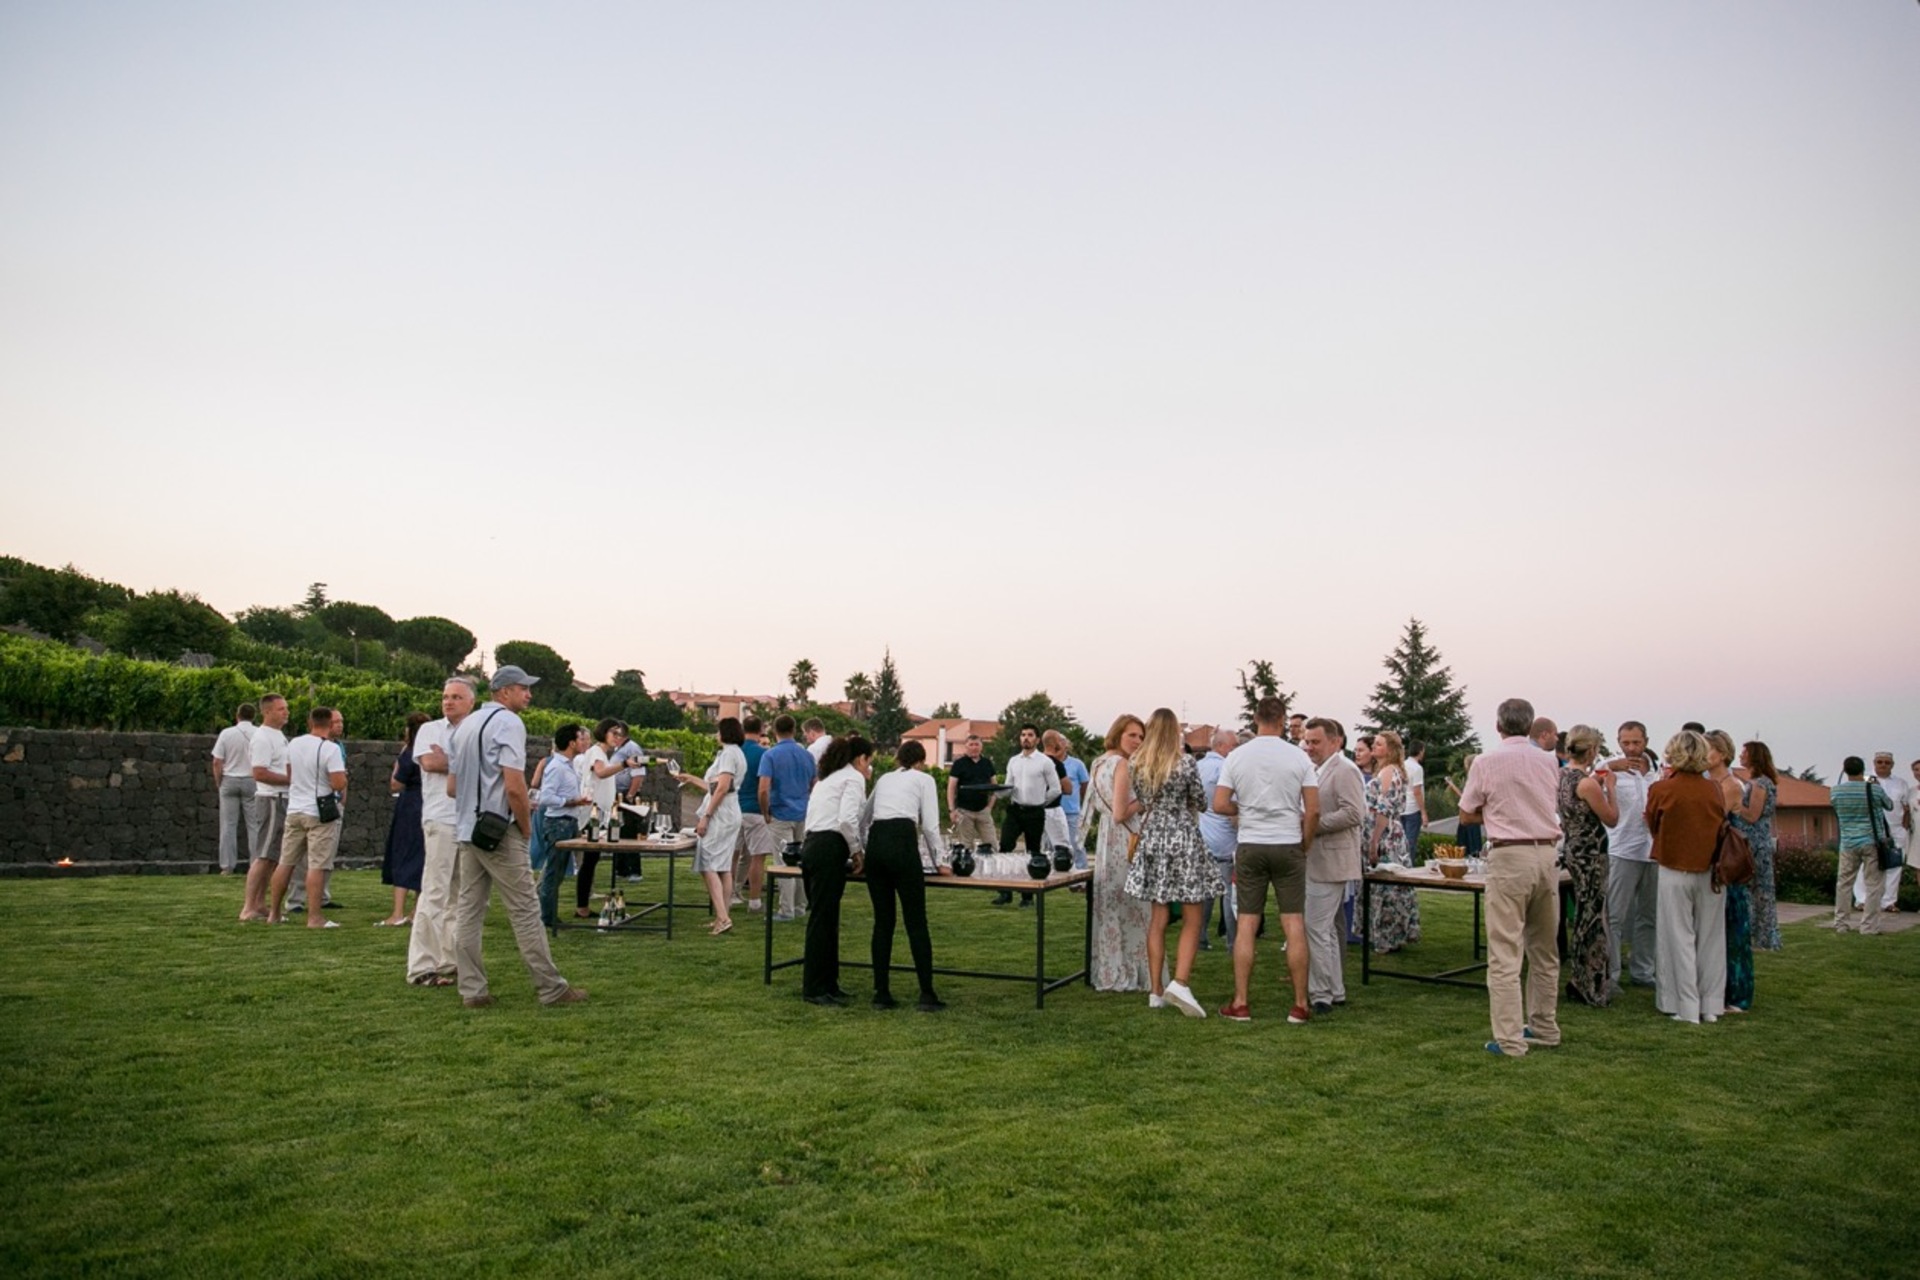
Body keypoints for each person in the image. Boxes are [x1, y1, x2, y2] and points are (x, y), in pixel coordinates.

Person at [446, 666, 585, 1008]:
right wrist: (524, 827)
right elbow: (514, 786)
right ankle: (551, 987)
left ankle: (472, 990)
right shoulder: (508, 723)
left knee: (469, 910)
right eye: (524, 688)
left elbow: (452, 787)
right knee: (525, 909)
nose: (529, 694)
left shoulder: (465, 726)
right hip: (499, 830)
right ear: (505, 691)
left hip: (467, 829)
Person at [1457, 697, 1563, 1057]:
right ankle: (1545, 1026)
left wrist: (1493, 813)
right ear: (1530, 726)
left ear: (1499, 726)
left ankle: (1510, 1040)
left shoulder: (1486, 761)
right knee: (1545, 949)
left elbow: (1466, 813)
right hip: (1546, 853)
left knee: (1505, 951)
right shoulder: (1549, 761)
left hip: (1510, 854)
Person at [1212, 697, 1319, 1024]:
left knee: (1247, 922)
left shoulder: (1237, 756)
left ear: (1255, 719)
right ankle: (1300, 1004)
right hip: (1287, 842)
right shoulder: (1299, 756)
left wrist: (1244, 810)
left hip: (1251, 843)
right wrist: (1304, 843)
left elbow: (1219, 804)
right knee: (1294, 922)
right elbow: (1313, 810)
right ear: (1283, 720)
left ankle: (1241, 1002)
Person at [1118, 708, 1225, 1018]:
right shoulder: (1186, 762)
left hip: (1153, 837)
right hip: (1182, 836)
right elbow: (1201, 802)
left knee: (1158, 916)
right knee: (1193, 915)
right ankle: (1180, 982)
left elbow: (1142, 800)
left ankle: (1155, 991)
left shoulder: (1136, 762)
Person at [1645, 730, 1728, 1024]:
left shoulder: (1661, 789)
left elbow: (1652, 824)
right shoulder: (1714, 789)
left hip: (1674, 867)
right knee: (1711, 938)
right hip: (1710, 870)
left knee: (1677, 937)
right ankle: (1710, 1005)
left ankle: (1685, 1005)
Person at [860, 739, 948, 1012]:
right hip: (902, 842)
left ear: (898, 759)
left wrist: (862, 850)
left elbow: (864, 818)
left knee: (883, 921)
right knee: (916, 921)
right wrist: (941, 861)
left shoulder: (884, 779)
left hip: (877, 843)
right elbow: (930, 825)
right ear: (921, 762)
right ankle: (926, 993)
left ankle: (881, 992)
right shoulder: (924, 780)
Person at [798, 734, 873, 1006]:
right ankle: (815, 987)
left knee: (827, 917)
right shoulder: (853, 779)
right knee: (823, 919)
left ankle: (829, 983)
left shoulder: (827, 779)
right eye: (869, 761)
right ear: (861, 758)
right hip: (829, 847)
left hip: (812, 845)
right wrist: (857, 851)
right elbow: (846, 820)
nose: (869, 768)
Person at [407, 678, 473, 987]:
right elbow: (431, 762)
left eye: (456, 697)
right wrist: (466, 762)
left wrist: (452, 760)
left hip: (467, 821)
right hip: (441, 819)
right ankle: (422, 966)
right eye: (446, 696)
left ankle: (450, 959)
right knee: (434, 892)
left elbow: (486, 765)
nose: (448, 701)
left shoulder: (474, 731)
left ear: (471, 702)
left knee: (460, 895)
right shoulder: (430, 730)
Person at [1086, 714, 1156, 993]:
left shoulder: (1098, 763)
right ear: (1118, 734)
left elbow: (1095, 807)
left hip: (1106, 839)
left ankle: (1110, 967)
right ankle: (1132, 970)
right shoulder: (1122, 765)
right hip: (1125, 838)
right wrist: (1144, 800)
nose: (1138, 741)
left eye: (1141, 737)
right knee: (1134, 907)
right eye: (1132, 735)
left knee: (1111, 906)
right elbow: (1119, 813)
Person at [1302, 718, 1365, 1014]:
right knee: (1324, 929)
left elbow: (1353, 813)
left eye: (1315, 742)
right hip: (1319, 859)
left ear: (1335, 742)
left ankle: (1321, 993)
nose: (1309, 747)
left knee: (1316, 927)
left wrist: (1311, 825)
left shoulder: (1345, 770)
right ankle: (1334, 989)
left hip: (1333, 860)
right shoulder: (1317, 770)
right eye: (1307, 742)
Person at [266, 706, 349, 928]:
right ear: (329, 724)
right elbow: (338, 783)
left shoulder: (294, 743)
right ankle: (314, 917)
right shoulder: (330, 748)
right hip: (319, 812)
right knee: (317, 865)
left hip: (295, 810)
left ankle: (274, 913)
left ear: (310, 722)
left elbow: (290, 774)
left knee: (286, 862)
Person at [1557, 726, 1619, 1007]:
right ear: (1592, 750)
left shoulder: (1561, 776)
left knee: (1584, 912)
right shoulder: (1587, 784)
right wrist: (1611, 789)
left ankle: (1580, 978)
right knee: (1593, 916)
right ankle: (1589, 982)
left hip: (1573, 848)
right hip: (1592, 853)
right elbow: (1611, 818)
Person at [1602, 721, 1660, 996]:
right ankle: (1611, 973)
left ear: (1645, 741)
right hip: (1622, 848)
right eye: (1626, 743)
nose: (1631, 748)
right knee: (1614, 915)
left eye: (1636, 742)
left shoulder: (1657, 771)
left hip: (1653, 851)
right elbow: (1586, 780)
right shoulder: (1609, 768)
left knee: (1649, 915)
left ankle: (1643, 971)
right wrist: (1611, 767)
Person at [677, 716, 746, 937]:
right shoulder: (736, 753)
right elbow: (715, 786)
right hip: (730, 811)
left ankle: (723, 917)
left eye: (718, 731)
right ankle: (722, 916)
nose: (716, 735)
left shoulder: (728, 754)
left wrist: (706, 816)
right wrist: (691, 779)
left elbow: (723, 787)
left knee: (707, 863)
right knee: (723, 867)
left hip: (721, 814)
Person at [1361, 730, 1420, 953]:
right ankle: (1393, 934)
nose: (1374, 747)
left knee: (1386, 885)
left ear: (1390, 749)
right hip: (1393, 833)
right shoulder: (1393, 770)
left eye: (1379, 744)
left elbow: (1383, 809)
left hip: (1386, 835)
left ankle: (1386, 936)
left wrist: (1374, 842)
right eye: (1374, 744)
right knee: (1392, 886)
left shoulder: (1388, 772)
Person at [759, 714, 816, 922]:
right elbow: (814, 783)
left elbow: (763, 788)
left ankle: (786, 909)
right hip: (803, 812)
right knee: (802, 861)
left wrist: (765, 811)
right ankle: (800, 905)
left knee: (782, 862)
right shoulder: (807, 755)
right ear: (794, 730)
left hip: (781, 813)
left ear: (775, 731)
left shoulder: (771, 755)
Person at [534, 723, 592, 928]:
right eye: (580, 739)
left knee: (557, 872)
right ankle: (546, 917)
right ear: (571, 743)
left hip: (568, 821)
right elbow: (546, 797)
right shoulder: (556, 767)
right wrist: (571, 802)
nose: (584, 743)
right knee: (554, 872)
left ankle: (548, 914)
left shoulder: (568, 765)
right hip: (558, 823)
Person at [239, 696, 292, 921]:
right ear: (267, 712)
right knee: (263, 855)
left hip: (280, 798)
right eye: (281, 709)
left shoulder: (278, 736)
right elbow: (259, 773)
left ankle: (260, 903)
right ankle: (248, 907)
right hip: (271, 799)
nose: (286, 712)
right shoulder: (262, 738)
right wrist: (290, 780)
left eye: (286, 708)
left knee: (272, 857)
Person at [570, 721, 629, 919]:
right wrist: (624, 764)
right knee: (588, 861)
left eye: (619, 734)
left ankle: (583, 906)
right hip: (592, 815)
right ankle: (581, 907)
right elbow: (601, 772)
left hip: (600, 813)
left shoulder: (602, 753)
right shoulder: (596, 752)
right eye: (614, 733)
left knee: (591, 861)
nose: (617, 737)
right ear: (603, 732)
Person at [995, 724, 1060, 906]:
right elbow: (1009, 786)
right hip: (1015, 810)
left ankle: (1028, 896)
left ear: (1037, 740)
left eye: (1030, 735)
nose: (1026, 738)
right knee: (1005, 847)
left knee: (1033, 852)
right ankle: (1005, 892)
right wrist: (995, 792)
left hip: (1035, 812)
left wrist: (1040, 802)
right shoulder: (1013, 761)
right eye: (1023, 735)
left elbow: (1056, 789)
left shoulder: (1045, 762)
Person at [377, 713, 430, 927]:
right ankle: (416, 911)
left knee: (403, 853)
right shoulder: (432, 750)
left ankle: (397, 913)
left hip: (410, 805)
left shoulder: (409, 752)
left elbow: (396, 783)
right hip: (428, 803)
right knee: (423, 856)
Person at [1831, 756, 1893, 935]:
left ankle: (1841, 923)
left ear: (1845, 770)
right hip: (1872, 842)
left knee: (1844, 884)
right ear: (1863, 769)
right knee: (1873, 885)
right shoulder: (1874, 789)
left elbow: (1835, 807)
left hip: (1848, 843)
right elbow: (1889, 805)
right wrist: (1875, 784)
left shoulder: (1835, 791)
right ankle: (1868, 926)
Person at [1195, 728, 1240, 950]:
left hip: (1203, 836)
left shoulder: (1198, 766)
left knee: (1205, 893)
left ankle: (1200, 938)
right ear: (1222, 746)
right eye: (1234, 746)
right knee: (1229, 893)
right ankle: (1233, 941)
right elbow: (1235, 805)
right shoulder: (1226, 768)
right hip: (1226, 840)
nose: (1236, 750)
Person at [1734, 740, 1782, 953]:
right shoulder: (1757, 782)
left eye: (1744, 753)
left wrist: (1735, 805)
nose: (1740, 756)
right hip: (1756, 839)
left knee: (1758, 888)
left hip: (1755, 840)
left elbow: (1753, 815)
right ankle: (1757, 933)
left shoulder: (1759, 784)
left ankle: (1762, 935)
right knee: (1756, 888)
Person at [1854, 753, 1913, 913]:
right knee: (1866, 864)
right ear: (1874, 763)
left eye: (1887, 762)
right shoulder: (1866, 779)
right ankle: (1862, 900)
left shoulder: (1901, 783)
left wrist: (1905, 827)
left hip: (1896, 829)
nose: (1883, 765)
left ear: (1892, 765)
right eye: (1880, 762)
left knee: (1895, 865)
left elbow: (1906, 807)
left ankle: (1888, 902)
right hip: (1871, 829)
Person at [209, 703, 257, 875]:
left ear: (237, 716)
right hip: (251, 780)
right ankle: (256, 864)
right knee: (254, 825)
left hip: (229, 780)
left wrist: (219, 781)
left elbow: (217, 761)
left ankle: (227, 866)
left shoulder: (226, 733)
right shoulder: (259, 734)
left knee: (228, 825)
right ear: (253, 717)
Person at [733, 715, 773, 912]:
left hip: (733, 809)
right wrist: (767, 811)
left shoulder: (733, 752)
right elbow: (764, 786)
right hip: (755, 809)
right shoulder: (764, 754)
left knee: (733, 855)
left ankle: (729, 894)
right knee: (758, 857)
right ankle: (755, 901)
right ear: (761, 730)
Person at [945, 734, 999, 850]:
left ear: (981, 746)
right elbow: (951, 788)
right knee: (966, 847)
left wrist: (990, 807)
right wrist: (952, 810)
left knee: (993, 845)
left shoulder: (987, 763)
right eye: (971, 745)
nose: (974, 747)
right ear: (966, 746)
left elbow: (995, 786)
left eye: (977, 744)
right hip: (964, 811)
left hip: (983, 811)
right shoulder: (959, 764)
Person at [1401, 740, 1428, 856]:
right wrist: (1423, 812)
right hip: (1413, 809)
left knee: (1402, 843)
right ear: (1420, 751)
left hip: (1402, 808)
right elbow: (1417, 792)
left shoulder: (1402, 765)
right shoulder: (1417, 768)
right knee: (1411, 843)